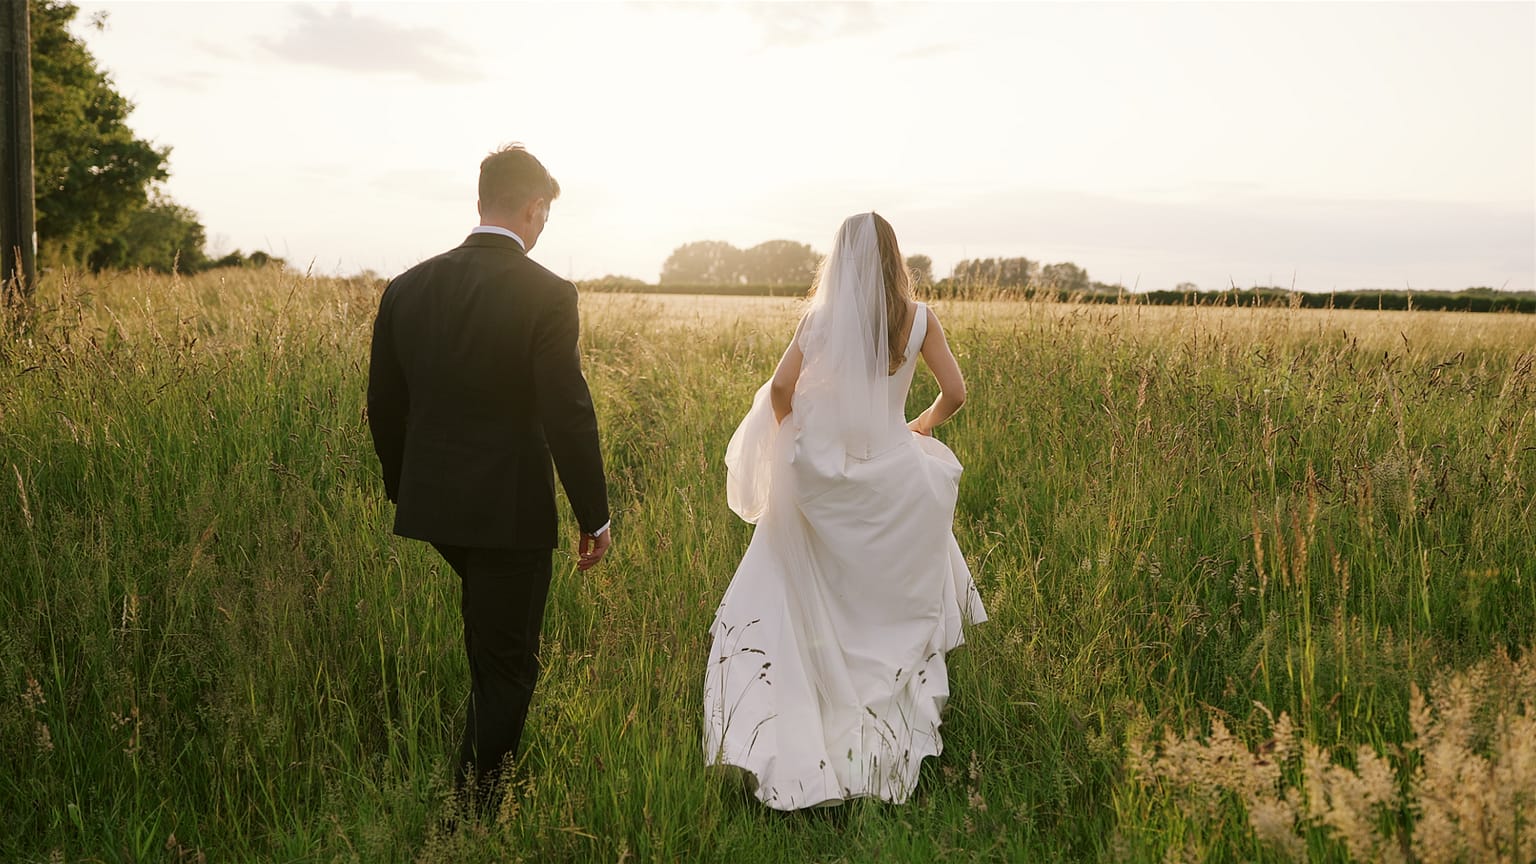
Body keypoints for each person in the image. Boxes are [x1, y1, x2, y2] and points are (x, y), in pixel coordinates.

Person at [703, 212, 987, 810]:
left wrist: (796, 439)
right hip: (894, 475)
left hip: (829, 476)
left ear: (840, 260)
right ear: (894, 256)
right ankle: (884, 723)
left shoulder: (820, 321)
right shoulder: (919, 319)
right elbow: (956, 393)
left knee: (818, 602)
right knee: (883, 608)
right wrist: (915, 426)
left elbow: (780, 391)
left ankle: (809, 726)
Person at [366, 143, 612, 810]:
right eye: (544, 218)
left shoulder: (407, 287)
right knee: (510, 666)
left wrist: (404, 486)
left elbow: (384, 405)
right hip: (509, 516)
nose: (540, 231)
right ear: (532, 208)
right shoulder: (548, 293)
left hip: (436, 507)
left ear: (482, 202)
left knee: (489, 643)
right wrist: (595, 515)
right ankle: (472, 815)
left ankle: (476, 785)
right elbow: (567, 409)